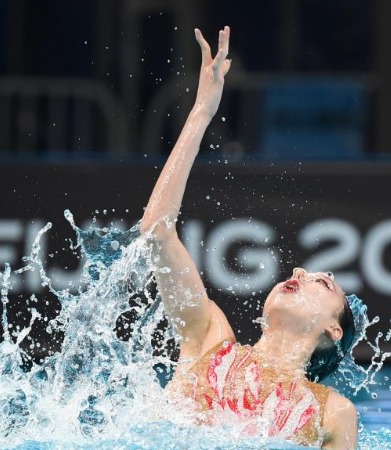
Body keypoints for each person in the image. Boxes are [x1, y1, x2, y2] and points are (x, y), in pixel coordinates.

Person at [139, 26, 359, 450]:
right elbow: (156, 233)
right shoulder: (207, 339)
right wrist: (201, 111)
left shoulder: (333, 412)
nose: (298, 271)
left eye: (323, 281)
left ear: (334, 329)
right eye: (305, 270)